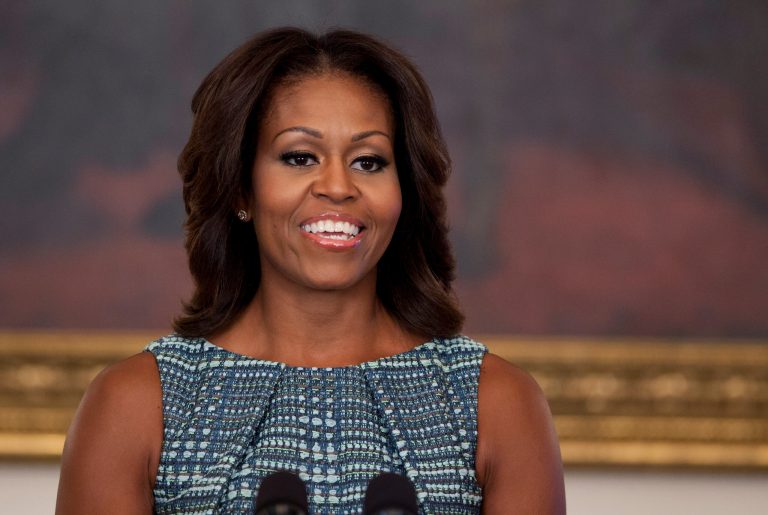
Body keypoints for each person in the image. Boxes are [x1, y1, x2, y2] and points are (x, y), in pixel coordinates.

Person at [56, 27, 565, 514]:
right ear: (240, 189)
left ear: (403, 192)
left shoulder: (496, 404)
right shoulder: (133, 404)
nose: (338, 186)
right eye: (300, 157)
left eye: (369, 161)